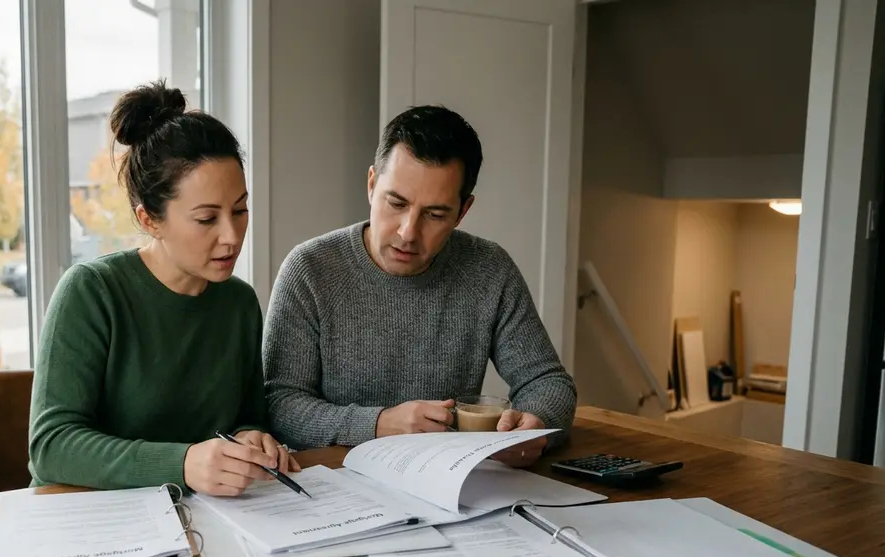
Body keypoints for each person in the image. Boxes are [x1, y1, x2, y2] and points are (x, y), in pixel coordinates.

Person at [263, 104, 577, 468]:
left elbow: (548, 381)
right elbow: (280, 405)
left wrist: (535, 426)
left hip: (448, 483)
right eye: (396, 203)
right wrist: (378, 424)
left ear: (463, 211)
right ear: (371, 185)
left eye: (434, 214)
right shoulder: (310, 269)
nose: (408, 232)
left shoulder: (489, 270)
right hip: (336, 483)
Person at [29, 79, 299, 496]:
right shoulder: (92, 292)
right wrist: (183, 463)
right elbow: (51, 446)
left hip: (204, 514)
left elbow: (247, 416)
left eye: (240, 210)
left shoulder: (239, 303)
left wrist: (251, 437)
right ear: (149, 220)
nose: (232, 236)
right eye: (207, 219)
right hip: (90, 514)